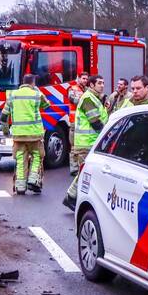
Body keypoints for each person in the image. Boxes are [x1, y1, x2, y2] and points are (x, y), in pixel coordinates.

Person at [63, 75, 109, 210]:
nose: (102, 85)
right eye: (99, 83)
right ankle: (71, 198)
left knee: (85, 173)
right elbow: (95, 122)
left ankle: (72, 198)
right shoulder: (88, 98)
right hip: (86, 143)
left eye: (103, 83)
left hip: (90, 142)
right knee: (84, 173)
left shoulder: (94, 98)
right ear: (91, 85)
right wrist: (107, 135)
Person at [0, 73, 47, 195]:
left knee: (20, 159)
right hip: (34, 134)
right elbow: (47, 105)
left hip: (18, 135)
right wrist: (37, 90)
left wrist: (6, 132)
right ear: (33, 83)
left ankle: (20, 187)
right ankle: (33, 180)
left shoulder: (12, 95)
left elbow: (4, 116)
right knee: (37, 156)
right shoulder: (37, 94)